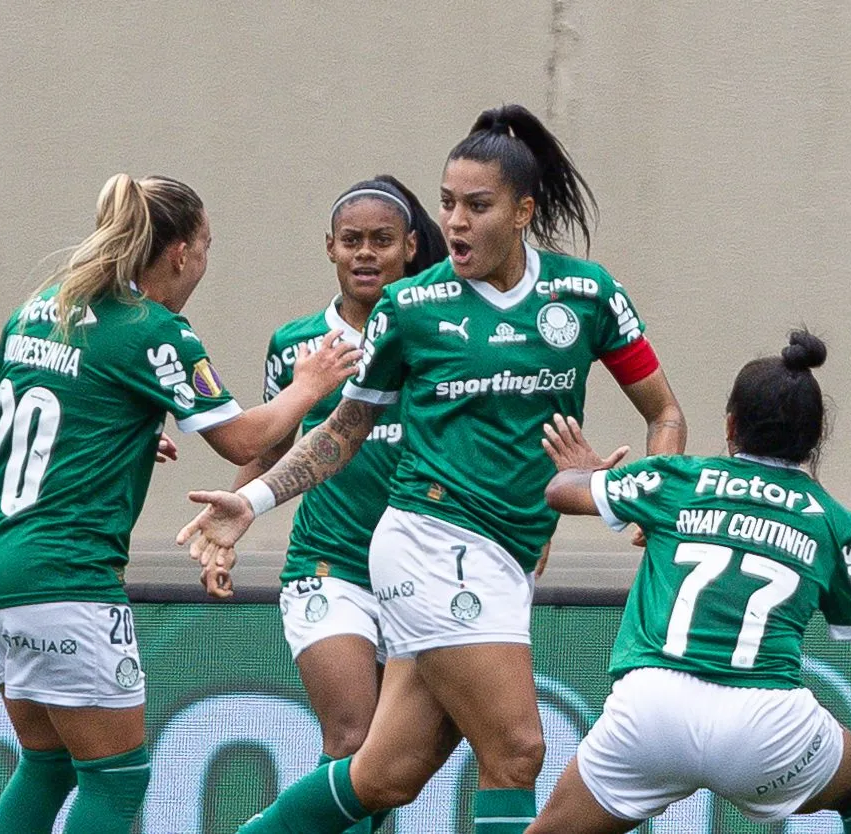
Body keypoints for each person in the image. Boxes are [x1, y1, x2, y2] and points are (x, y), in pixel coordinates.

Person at [180, 104, 688, 834]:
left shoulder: (585, 294)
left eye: (476, 206)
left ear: (522, 212)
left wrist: (645, 494)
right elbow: (343, 431)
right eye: (447, 203)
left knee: (385, 776)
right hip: (430, 541)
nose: (454, 222)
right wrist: (253, 501)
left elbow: (663, 414)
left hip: (509, 559)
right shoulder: (411, 307)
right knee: (516, 750)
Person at [0, 173, 358, 834]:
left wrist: (115, 431)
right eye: (205, 246)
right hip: (63, 573)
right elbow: (244, 442)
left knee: (47, 763)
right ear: (179, 254)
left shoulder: (42, 306)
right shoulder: (154, 330)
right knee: (117, 780)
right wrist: (308, 384)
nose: (203, 261)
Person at [527, 331, 851, 834]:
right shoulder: (833, 523)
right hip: (764, 728)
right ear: (816, 440)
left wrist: (589, 473)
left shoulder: (676, 479)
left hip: (652, 711)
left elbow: (559, 491)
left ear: (730, 425)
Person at [231, 175, 446, 832]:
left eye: (382, 240)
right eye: (351, 240)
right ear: (329, 248)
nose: (365, 253)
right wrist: (228, 523)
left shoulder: (438, 335)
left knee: (387, 773)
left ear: (410, 247)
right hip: (329, 567)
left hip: (422, 574)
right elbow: (271, 445)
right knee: (352, 739)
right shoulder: (296, 344)